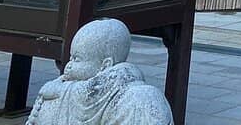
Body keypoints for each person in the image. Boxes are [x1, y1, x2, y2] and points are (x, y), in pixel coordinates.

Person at [26, 20, 172, 125]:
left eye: (77, 59)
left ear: (105, 65)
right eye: (70, 58)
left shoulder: (138, 100)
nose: (69, 65)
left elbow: (91, 92)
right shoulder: (61, 91)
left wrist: (61, 91)